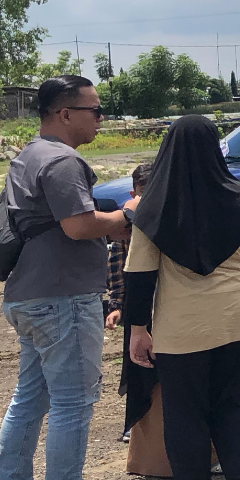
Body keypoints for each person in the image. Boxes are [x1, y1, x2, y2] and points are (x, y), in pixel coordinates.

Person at [0, 75, 133, 480]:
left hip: (28, 295)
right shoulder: (63, 160)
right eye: (94, 110)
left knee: (30, 399)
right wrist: (128, 215)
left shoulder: (27, 155)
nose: (101, 119)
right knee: (73, 401)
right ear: (65, 113)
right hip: (63, 297)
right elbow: (78, 226)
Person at [124, 115, 240, 480]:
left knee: (185, 412)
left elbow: (140, 274)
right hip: (236, 318)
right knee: (235, 402)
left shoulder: (154, 206)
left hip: (181, 326)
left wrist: (137, 328)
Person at [104, 163, 151, 446]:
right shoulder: (128, 221)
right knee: (138, 364)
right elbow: (117, 264)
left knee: (149, 364)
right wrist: (117, 305)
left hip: (153, 303)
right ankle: (136, 425)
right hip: (142, 304)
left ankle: (147, 427)